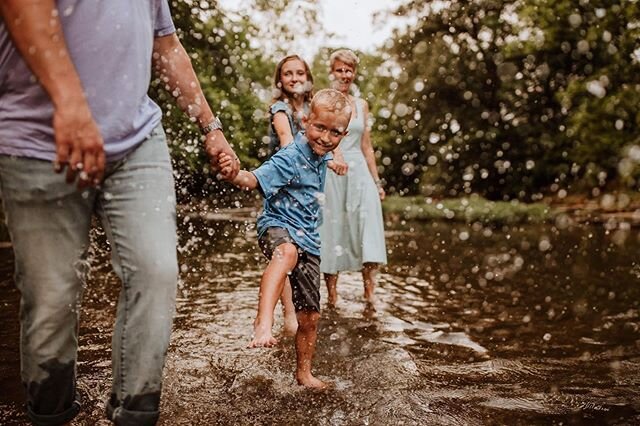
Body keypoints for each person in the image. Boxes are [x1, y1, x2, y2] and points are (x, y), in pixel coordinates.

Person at [0, 1, 239, 425]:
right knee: (52, 299)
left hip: (137, 140)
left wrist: (211, 126)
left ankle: (134, 413)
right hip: (40, 140)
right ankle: (50, 415)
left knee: (156, 271)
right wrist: (71, 103)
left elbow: (165, 45)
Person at [219, 88, 351, 389]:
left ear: (342, 135)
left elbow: (329, 153)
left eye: (335, 133)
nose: (326, 138)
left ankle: (303, 373)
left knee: (311, 317)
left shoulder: (324, 153)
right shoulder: (290, 156)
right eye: (319, 128)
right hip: (276, 225)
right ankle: (262, 322)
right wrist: (234, 173)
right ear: (305, 121)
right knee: (287, 253)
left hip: (309, 238)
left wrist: (337, 160)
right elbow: (253, 179)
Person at [318, 49, 387, 307]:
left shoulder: (361, 105)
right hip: (332, 172)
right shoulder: (324, 101)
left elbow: (366, 145)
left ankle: (369, 295)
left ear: (354, 73)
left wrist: (377, 181)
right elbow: (321, 137)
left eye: (349, 70)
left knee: (367, 228)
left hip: (360, 173)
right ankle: (332, 298)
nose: (345, 75)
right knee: (332, 230)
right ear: (332, 72)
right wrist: (334, 155)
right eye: (340, 70)